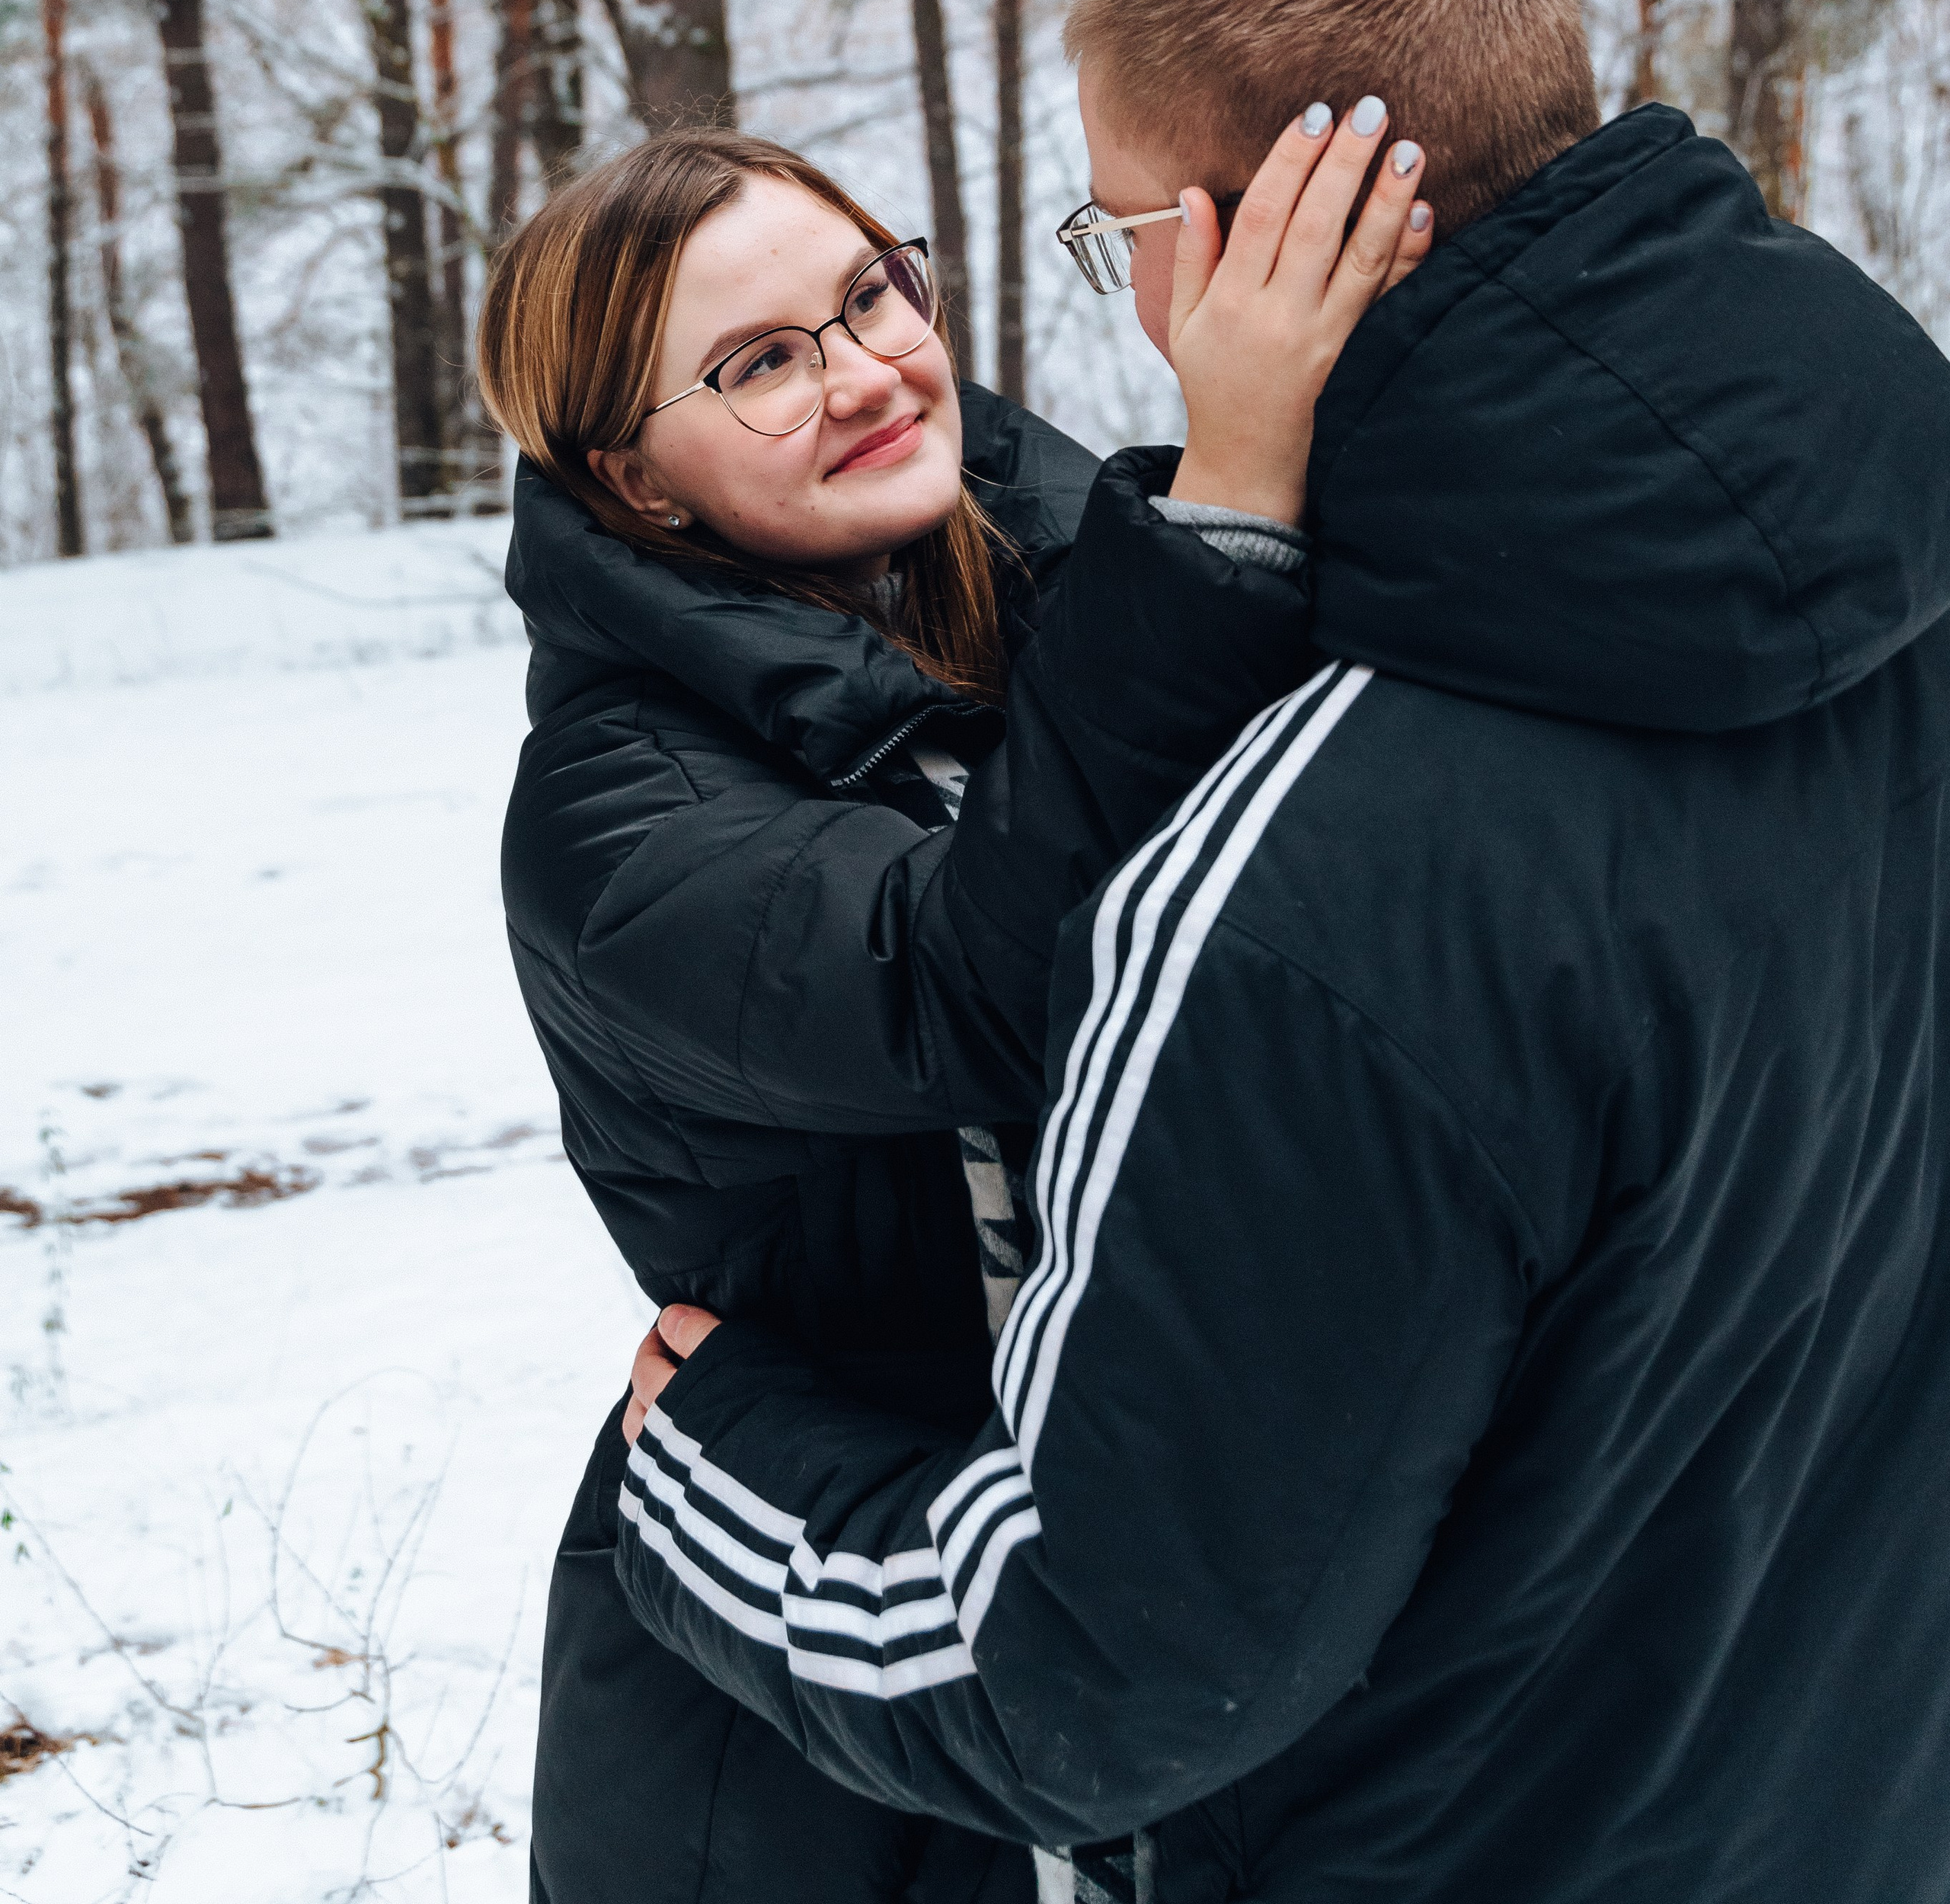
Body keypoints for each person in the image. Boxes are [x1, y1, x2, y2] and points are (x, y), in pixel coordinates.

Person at [609, 0, 1950, 1904]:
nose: (1122, 282)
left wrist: (717, 1468)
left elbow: (1101, 1677)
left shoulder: (1300, 886)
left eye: (1116, 224)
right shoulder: (1902, 588)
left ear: (1265, 233)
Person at [474, 114, 1431, 1904]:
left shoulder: (1076, 583)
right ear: (635, 480)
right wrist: (1230, 495)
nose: (862, 374)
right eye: (760, 362)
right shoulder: (613, 819)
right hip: (817, 1667)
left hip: (1148, 1583)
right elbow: (985, 982)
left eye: (869, 295)